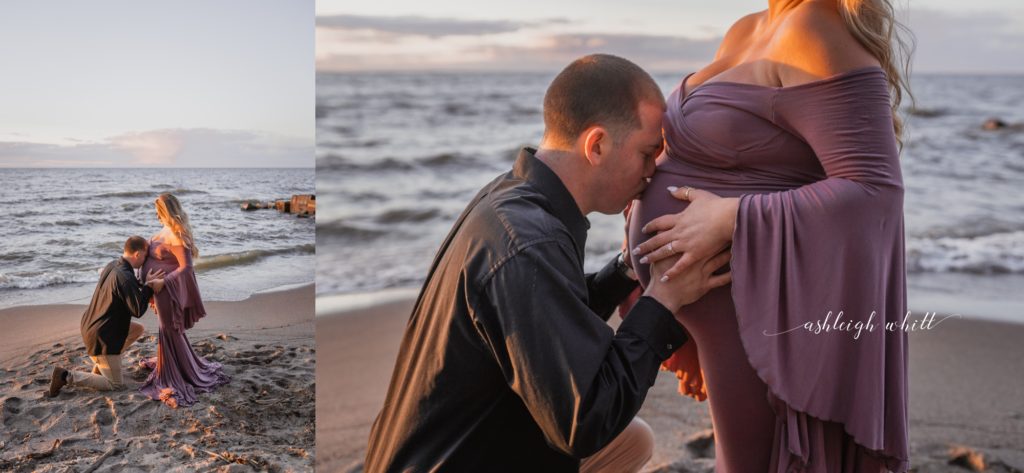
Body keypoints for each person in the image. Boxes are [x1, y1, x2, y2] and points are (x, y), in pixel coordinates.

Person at [363, 54, 732, 473]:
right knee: (612, 433)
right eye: (648, 153)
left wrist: (627, 267)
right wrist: (664, 300)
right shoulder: (529, 241)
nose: (652, 172)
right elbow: (585, 421)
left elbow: (547, 324)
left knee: (633, 442)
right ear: (596, 145)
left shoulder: (513, 198)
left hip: (448, 447)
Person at [625, 0, 912, 471]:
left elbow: (876, 191)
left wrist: (733, 216)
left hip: (761, 308)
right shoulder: (748, 28)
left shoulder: (817, 29)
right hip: (720, 312)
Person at [139, 193, 229, 407]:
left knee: (169, 329)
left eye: (158, 211)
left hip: (167, 290)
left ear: (166, 211)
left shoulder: (178, 235)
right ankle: (168, 362)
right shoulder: (164, 231)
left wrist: (163, 282)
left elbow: (186, 268)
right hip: (158, 290)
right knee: (166, 329)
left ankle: (175, 370)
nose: (155, 215)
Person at [48, 236, 165, 396]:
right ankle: (65, 376)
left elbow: (126, 286)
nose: (145, 261)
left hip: (91, 325)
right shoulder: (125, 277)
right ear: (137, 254)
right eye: (145, 257)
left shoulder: (113, 265)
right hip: (102, 336)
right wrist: (150, 288)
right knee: (116, 385)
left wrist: (143, 284)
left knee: (137, 330)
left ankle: (105, 363)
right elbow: (137, 310)